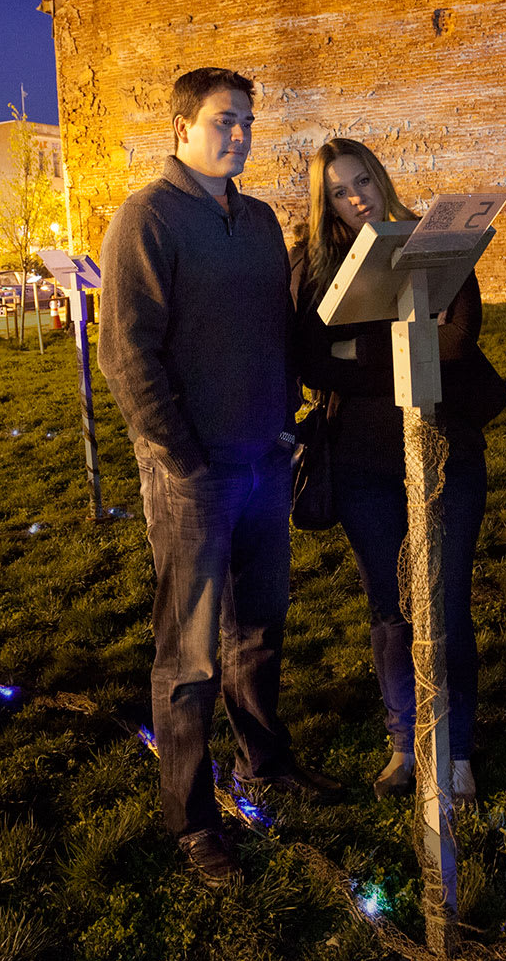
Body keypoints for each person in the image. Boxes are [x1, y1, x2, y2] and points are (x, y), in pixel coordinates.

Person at [98, 66, 339, 889]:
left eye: (245, 121)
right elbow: (127, 353)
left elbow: (280, 328)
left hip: (266, 458)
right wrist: (180, 454)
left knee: (260, 630)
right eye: (222, 120)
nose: (238, 133)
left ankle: (262, 765)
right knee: (190, 656)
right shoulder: (147, 218)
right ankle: (192, 821)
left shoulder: (261, 219)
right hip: (193, 475)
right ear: (181, 128)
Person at [290, 138, 506, 803]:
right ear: (324, 202)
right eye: (338, 191)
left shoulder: (432, 245)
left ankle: (458, 751)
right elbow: (311, 359)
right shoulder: (316, 264)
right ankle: (403, 743)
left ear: (380, 179)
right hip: (363, 463)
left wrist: (363, 344)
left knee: (445, 601)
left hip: (445, 453)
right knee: (390, 607)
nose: (356, 198)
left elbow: (456, 339)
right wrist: (400, 341)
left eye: (363, 181)